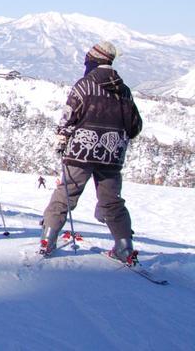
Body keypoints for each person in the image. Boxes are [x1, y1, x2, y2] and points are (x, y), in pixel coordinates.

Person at [39, 41, 143, 264]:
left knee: (66, 194)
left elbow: (69, 116)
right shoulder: (124, 90)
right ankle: (124, 247)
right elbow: (135, 126)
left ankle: (48, 238)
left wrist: (61, 139)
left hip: (81, 151)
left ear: (93, 61)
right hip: (111, 153)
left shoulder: (84, 85)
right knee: (112, 202)